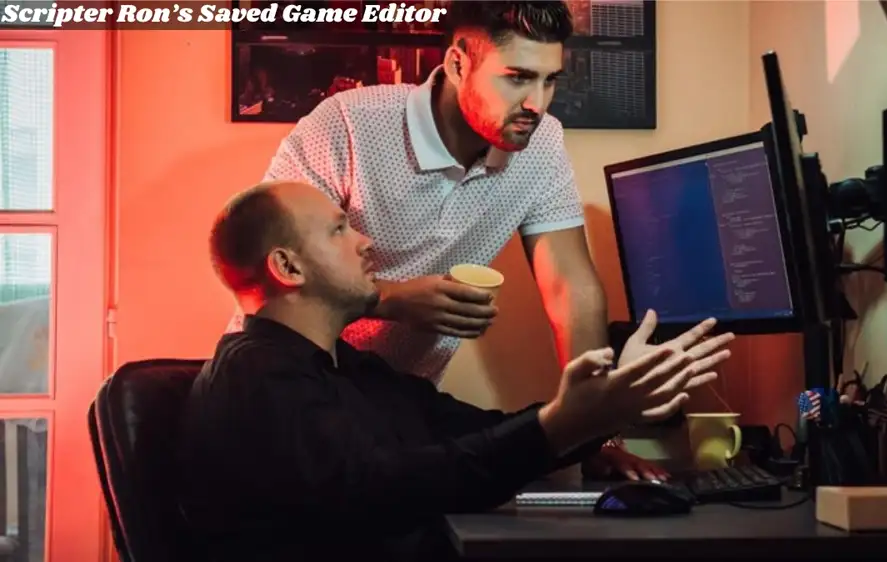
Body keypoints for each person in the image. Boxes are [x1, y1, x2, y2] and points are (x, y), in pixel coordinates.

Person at [236, 1, 706, 480]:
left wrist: (590, 432)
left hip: (398, 404)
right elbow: (265, 271)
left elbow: (571, 288)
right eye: (518, 77)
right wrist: (390, 300)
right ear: (458, 63)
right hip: (292, 394)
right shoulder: (347, 125)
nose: (537, 104)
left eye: (550, 80)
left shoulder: (541, 144)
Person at [179, 181, 734, 561]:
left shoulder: (346, 367)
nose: (365, 242)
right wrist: (566, 424)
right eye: (339, 230)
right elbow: (385, 489)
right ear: (287, 266)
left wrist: (593, 419)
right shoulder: (256, 377)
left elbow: (470, 432)